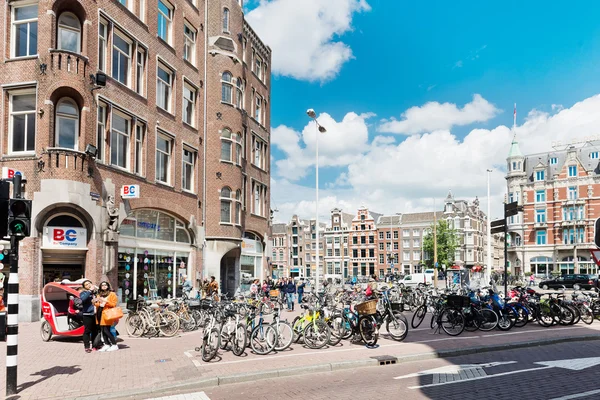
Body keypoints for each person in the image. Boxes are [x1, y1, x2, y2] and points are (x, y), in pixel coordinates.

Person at [94, 281, 119, 352]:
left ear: (108, 286)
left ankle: (114, 344)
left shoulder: (112, 294)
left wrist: (105, 302)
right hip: (100, 313)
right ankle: (106, 344)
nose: (104, 286)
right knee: (102, 330)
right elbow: (97, 305)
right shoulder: (99, 294)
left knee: (106, 330)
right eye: (102, 285)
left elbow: (113, 304)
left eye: (105, 285)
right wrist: (95, 302)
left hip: (107, 314)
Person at [80, 280, 97, 353]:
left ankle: (94, 345)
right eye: (86, 284)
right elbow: (83, 299)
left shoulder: (96, 292)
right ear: (84, 287)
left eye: (89, 283)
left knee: (95, 331)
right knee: (87, 330)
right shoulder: (83, 293)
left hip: (96, 314)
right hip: (87, 314)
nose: (89, 285)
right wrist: (89, 291)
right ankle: (87, 346)